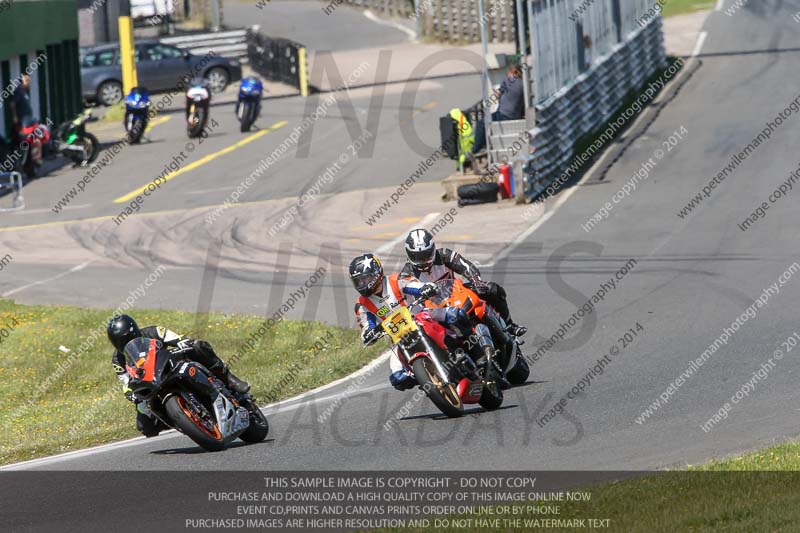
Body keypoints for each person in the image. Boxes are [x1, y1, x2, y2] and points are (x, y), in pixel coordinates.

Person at [107, 314, 250, 437]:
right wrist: (130, 393)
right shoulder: (118, 360)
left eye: (125, 339)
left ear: (134, 331)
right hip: (152, 383)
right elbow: (126, 382)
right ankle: (182, 420)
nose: (123, 343)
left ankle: (229, 378)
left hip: (172, 366)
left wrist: (183, 342)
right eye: (118, 341)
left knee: (198, 347)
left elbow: (177, 338)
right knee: (145, 427)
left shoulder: (153, 331)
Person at [349, 253, 473, 391]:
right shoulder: (362, 304)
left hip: (423, 316)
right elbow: (366, 327)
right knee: (397, 379)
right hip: (401, 338)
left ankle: (477, 354)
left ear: (376, 272)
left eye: (365, 279)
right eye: (358, 282)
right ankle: (426, 377)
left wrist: (426, 288)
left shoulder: (396, 280)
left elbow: (414, 286)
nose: (362, 284)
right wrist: (369, 335)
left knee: (457, 315)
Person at [401, 228, 527, 337]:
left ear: (433, 249)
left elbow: (466, 266)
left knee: (492, 289)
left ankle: (510, 325)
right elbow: (404, 300)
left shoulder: (443, 254)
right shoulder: (406, 275)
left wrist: (475, 280)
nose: (423, 260)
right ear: (409, 255)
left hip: (456, 293)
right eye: (417, 257)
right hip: (434, 309)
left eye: (426, 255)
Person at [471, 64, 525, 155]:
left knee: (481, 123)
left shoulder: (508, 80)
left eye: (508, 73)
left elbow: (497, 95)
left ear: (512, 72)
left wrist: (497, 94)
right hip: (514, 115)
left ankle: (476, 149)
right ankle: (483, 145)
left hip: (504, 114)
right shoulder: (523, 83)